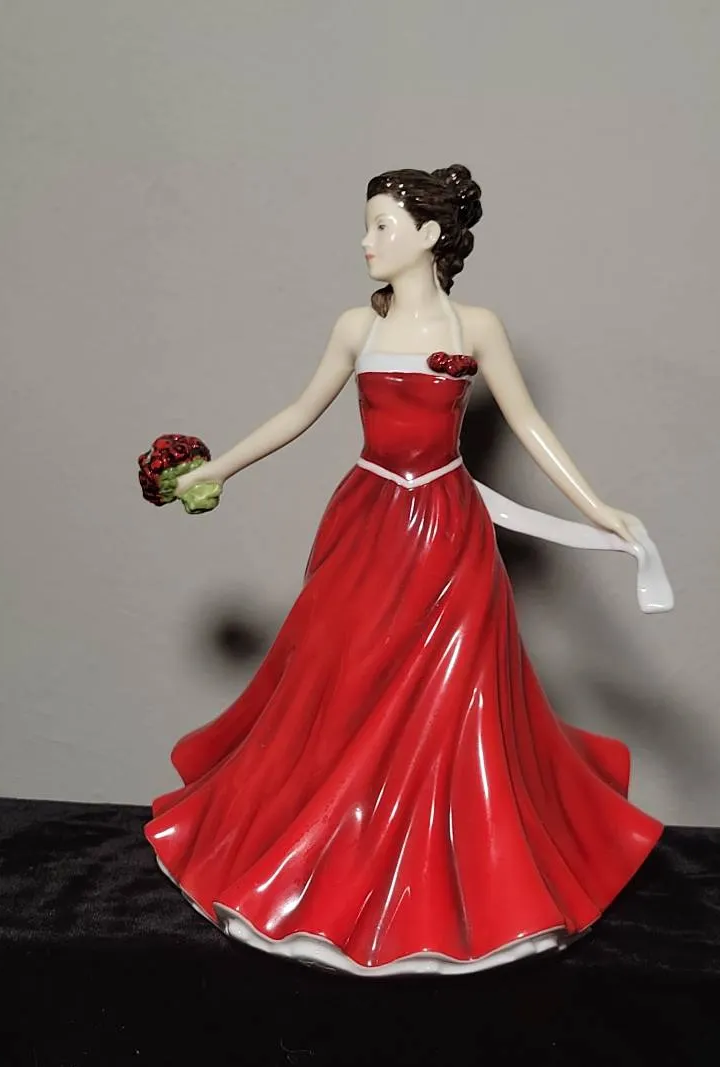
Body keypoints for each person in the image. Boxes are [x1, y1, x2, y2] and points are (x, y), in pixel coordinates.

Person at [144, 165, 668, 976]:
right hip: (372, 522)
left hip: (450, 529)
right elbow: (299, 411)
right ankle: (331, 865)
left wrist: (598, 508)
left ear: (428, 235)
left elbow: (527, 423)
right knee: (343, 683)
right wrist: (221, 468)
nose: (366, 241)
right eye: (366, 225)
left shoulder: (478, 326)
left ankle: (469, 886)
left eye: (381, 225)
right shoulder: (356, 326)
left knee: (462, 696)